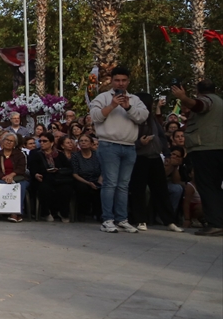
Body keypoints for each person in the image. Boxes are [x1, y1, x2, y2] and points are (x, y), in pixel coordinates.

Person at [89, 66, 148, 234]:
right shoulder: (102, 97)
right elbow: (95, 117)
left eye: (123, 80)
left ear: (128, 81)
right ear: (112, 81)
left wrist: (128, 107)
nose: (120, 83)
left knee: (123, 185)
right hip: (109, 145)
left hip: (129, 146)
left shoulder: (135, 99)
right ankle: (107, 220)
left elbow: (143, 117)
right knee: (110, 183)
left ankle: (122, 219)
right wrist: (112, 105)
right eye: (117, 80)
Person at [169, 80, 221, 236]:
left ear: (198, 91)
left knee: (207, 186)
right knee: (215, 187)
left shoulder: (208, 100)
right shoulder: (219, 102)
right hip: (216, 148)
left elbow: (199, 105)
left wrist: (183, 97)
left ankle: (216, 224)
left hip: (206, 148)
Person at [125, 93, 179, 232]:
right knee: (139, 190)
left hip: (155, 157)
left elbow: (161, 136)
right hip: (140, 157)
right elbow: (127, 140)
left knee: (161, 190)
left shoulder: (153, 119)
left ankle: (169, 221)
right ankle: (140, 219)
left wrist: (166, 153)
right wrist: (139, 143)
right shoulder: (133, 119)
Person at [28, 133, 73, 222]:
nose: (42, 143)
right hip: (42, 178)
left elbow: (68, 168)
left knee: (66, 188)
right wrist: (36, 174)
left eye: (45, 141)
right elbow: (32, 167)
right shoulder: (34, 153)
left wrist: (58, 170)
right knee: (44, 188)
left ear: (52, 143)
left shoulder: (60, 154)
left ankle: (63, 213)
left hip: (58, 178)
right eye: (40, 141)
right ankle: (46, 212)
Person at [0, 132, 29, 223]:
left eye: (11, 141)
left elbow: (21, 168)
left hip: (17, 178)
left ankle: (16, 213)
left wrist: (12, 175)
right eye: (7, 140)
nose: (9, 142)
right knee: (3, 185)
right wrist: (4, 177)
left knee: (20, 186)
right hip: (1, 178)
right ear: (2, 141)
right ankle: (9, 213)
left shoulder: (20, 155)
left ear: (15, 144)